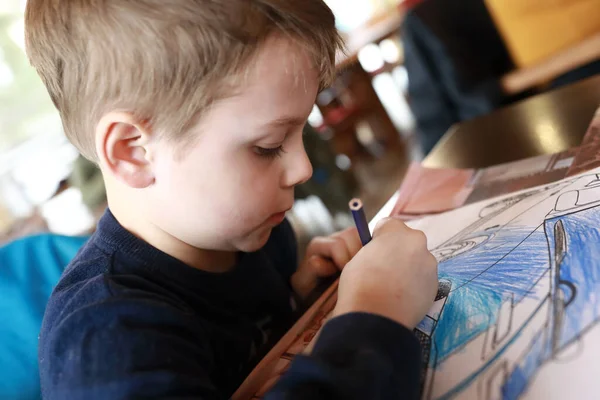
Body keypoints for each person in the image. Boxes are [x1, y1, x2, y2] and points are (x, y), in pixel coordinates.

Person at [25, 1, 438, 398]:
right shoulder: (104, 342)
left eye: (302, 132)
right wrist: (374, 314)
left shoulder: (256, 236)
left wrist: (303, 303)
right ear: (133, 151)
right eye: (268, 145)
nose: (303, 169)